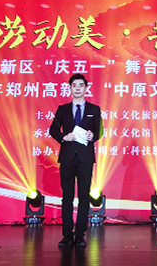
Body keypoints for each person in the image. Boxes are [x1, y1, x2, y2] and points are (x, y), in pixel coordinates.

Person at [50, 74, 101, 247]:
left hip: (85, 157)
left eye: (80, 85)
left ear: (86, 88)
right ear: (70, 88)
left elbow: (99, 130)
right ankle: (67, 235)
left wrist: (93, 135)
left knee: (84, 197)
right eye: (74, 85)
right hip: (67, 157)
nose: (77, 88)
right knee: (67, 197)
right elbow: (53, 129)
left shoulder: (94, 109)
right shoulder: (63, 109)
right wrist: (64, 137)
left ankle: (80, 235)